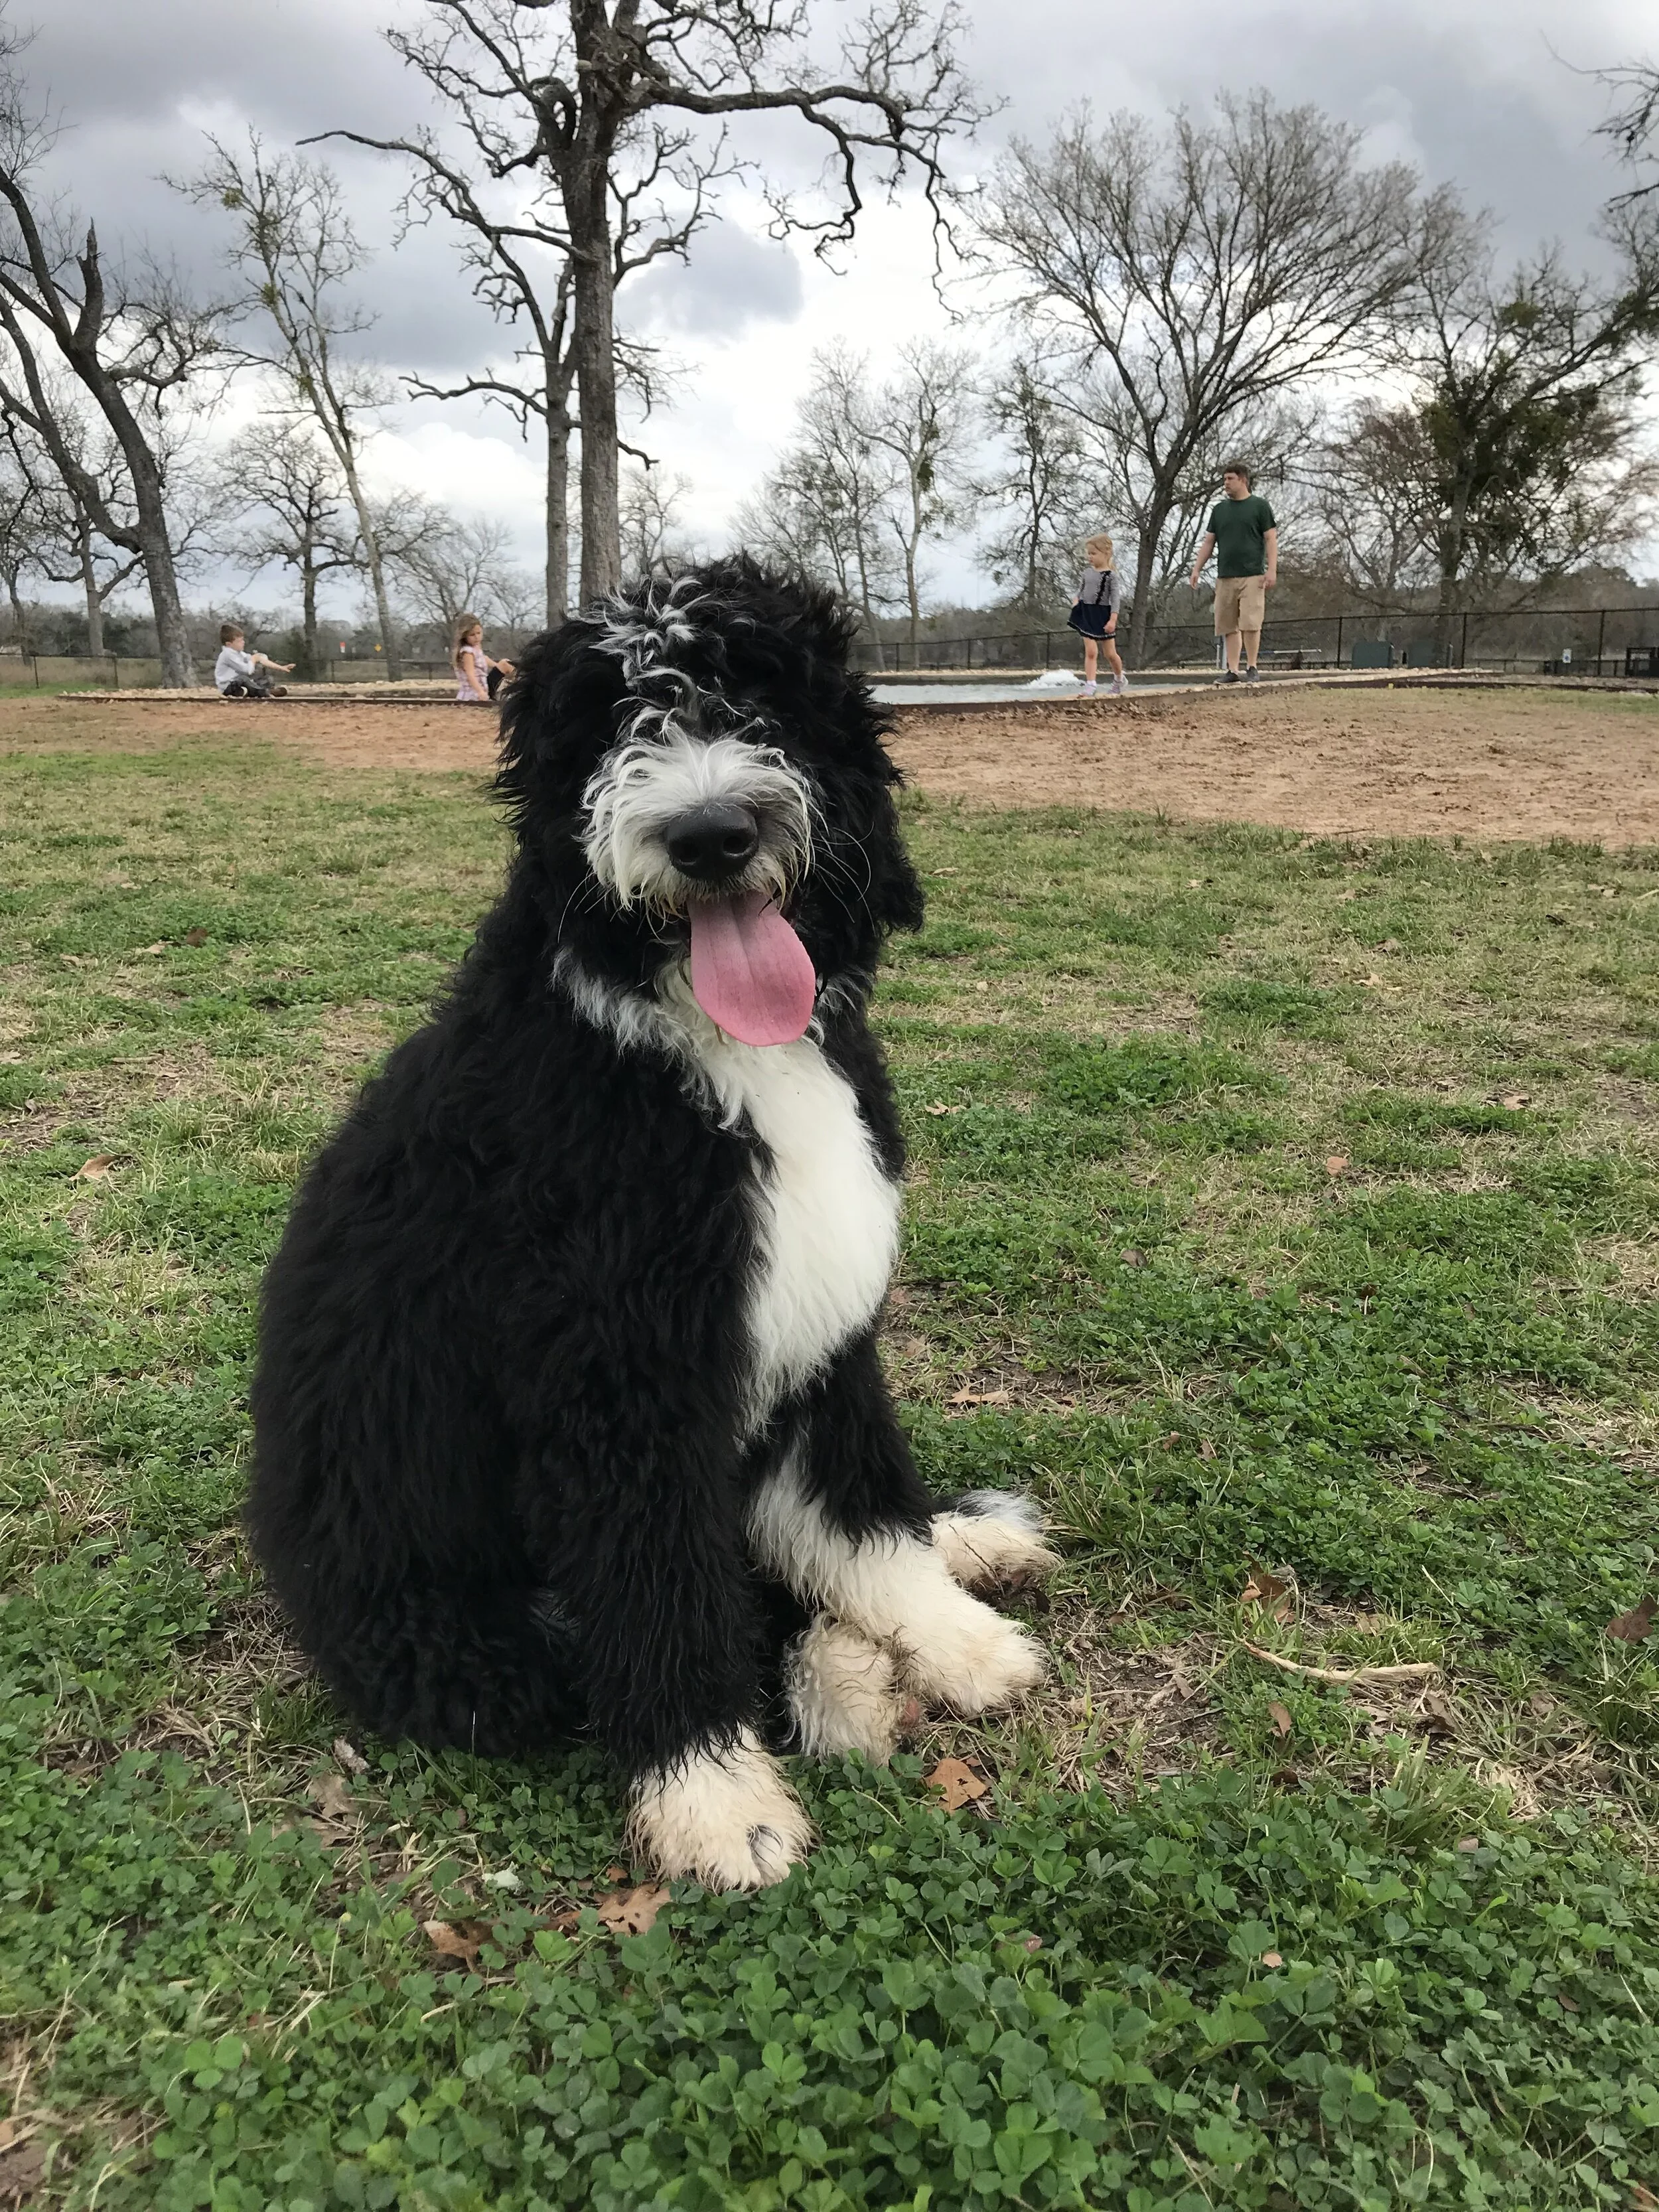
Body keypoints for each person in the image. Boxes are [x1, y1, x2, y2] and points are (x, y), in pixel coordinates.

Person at [1188, 461, 1277, 685]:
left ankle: (1252, 667)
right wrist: (1197, 568)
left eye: (1230, 479)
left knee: (1251, 622)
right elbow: (1209, 541)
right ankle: (1233, 670)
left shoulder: (1260, 506)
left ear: (1243, 480)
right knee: (1228, 624)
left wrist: (1272, 570)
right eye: (1225, 479)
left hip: (1253, 575)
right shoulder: (1219, 510)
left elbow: (1271, 539)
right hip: (1225, 575)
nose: (1226, 483)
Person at [1067, 533, 1127, 697]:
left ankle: (1118, 679)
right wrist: (1076, 601)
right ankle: (1091, 684)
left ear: (1106, 553)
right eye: (1089, 553)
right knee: (1091, 651)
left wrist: (1113, 619)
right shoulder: (1087, 573)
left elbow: (1115, 600)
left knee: (1110, 654)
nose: (1090, 557)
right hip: (1087, 613)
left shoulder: (1111, 577)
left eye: (1094, 553)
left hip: (1103, 616)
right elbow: (1080, 591)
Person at [214, 623, 293, 700]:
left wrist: (281, 667)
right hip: (229, 687)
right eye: (239, 641)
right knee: (243, 679)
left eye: (243, 640)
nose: (243, 642)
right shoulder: (227, 654)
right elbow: (248, 671)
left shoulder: (239, 653)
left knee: (267, 679)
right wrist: (253, 659)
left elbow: (260, 659)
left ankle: (250, 691)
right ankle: (265, 693)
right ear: (229, 644)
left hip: (241, 684)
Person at [453, 614, 515, 705]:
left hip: (484, 686)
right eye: (472, 635)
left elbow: (484, 659)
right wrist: (480, 692)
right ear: (465, 636)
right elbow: (470, 675)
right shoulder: (467, 653)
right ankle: (522, 689)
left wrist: (498, 667)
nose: (476, 637)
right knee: (504, 664)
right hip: (475, 692)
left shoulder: (476, 648)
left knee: (505, 664)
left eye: (478, 633)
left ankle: (521, 685)